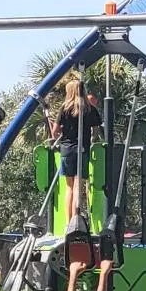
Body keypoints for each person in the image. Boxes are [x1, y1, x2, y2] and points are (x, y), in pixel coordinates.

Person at [45, 71, 102, 234]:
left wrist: (61, 129)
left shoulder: (64, 108)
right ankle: (77, 221)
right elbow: (96, 129)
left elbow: (55, 132)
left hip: (67, 149)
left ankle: (68, 224)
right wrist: (91, 139)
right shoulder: (89, 109)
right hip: (82, 149)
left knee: (69, 187)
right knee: (78, 186)